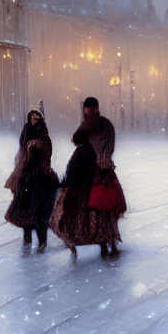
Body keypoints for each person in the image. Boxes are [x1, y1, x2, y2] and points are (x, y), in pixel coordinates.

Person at [77, 97, 122, 257]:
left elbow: (108, 145)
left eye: (89, 109)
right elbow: (77, 140)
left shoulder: (99, 124)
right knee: (101, 209)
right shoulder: (96, 125)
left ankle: (108, 244)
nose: (87, 111)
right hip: (97, 171)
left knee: (102, 208)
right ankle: (106, 243)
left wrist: (102, 161)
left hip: (98, 172)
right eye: (86, 109)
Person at [49, 128, 103, 260]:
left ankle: (73, 241)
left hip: (79, 189)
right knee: (94, 217)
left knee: (70, 217)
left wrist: (66, 184)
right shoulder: (95, 151)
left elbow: (73, 171)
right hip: (92, 188)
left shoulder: (81, 152)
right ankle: (101, 242)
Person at [5, 138, 59, 252]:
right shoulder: (45, 170)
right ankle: (41, 243)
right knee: (41, 225)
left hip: (28, 205)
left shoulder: (25, 171)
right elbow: (54, 185)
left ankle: (29, 239)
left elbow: (15, 185)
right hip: (41, 205)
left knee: (28, 224)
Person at [5, 109, 52, 193]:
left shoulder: (42, 130)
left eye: (35, 119)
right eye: (32, 118)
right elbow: (22, 141)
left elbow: (47, 146)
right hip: (27, 159)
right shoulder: (27, 128)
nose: (33, 121)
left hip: (38, 161)